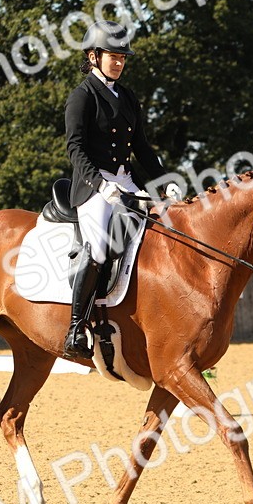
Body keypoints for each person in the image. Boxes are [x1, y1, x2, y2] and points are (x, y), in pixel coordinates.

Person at [62, 20, 182, 359]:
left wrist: (163, 181)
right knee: (99, 248)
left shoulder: (127, 96)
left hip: (126, 179)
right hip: (93, 184)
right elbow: (75, 148)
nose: (119, 62)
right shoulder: (82, 96)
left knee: (166, 229)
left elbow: (141, 148)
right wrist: (100, 184)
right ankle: (76, 326)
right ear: (93, 56)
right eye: (112, 56)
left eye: (122, 58)